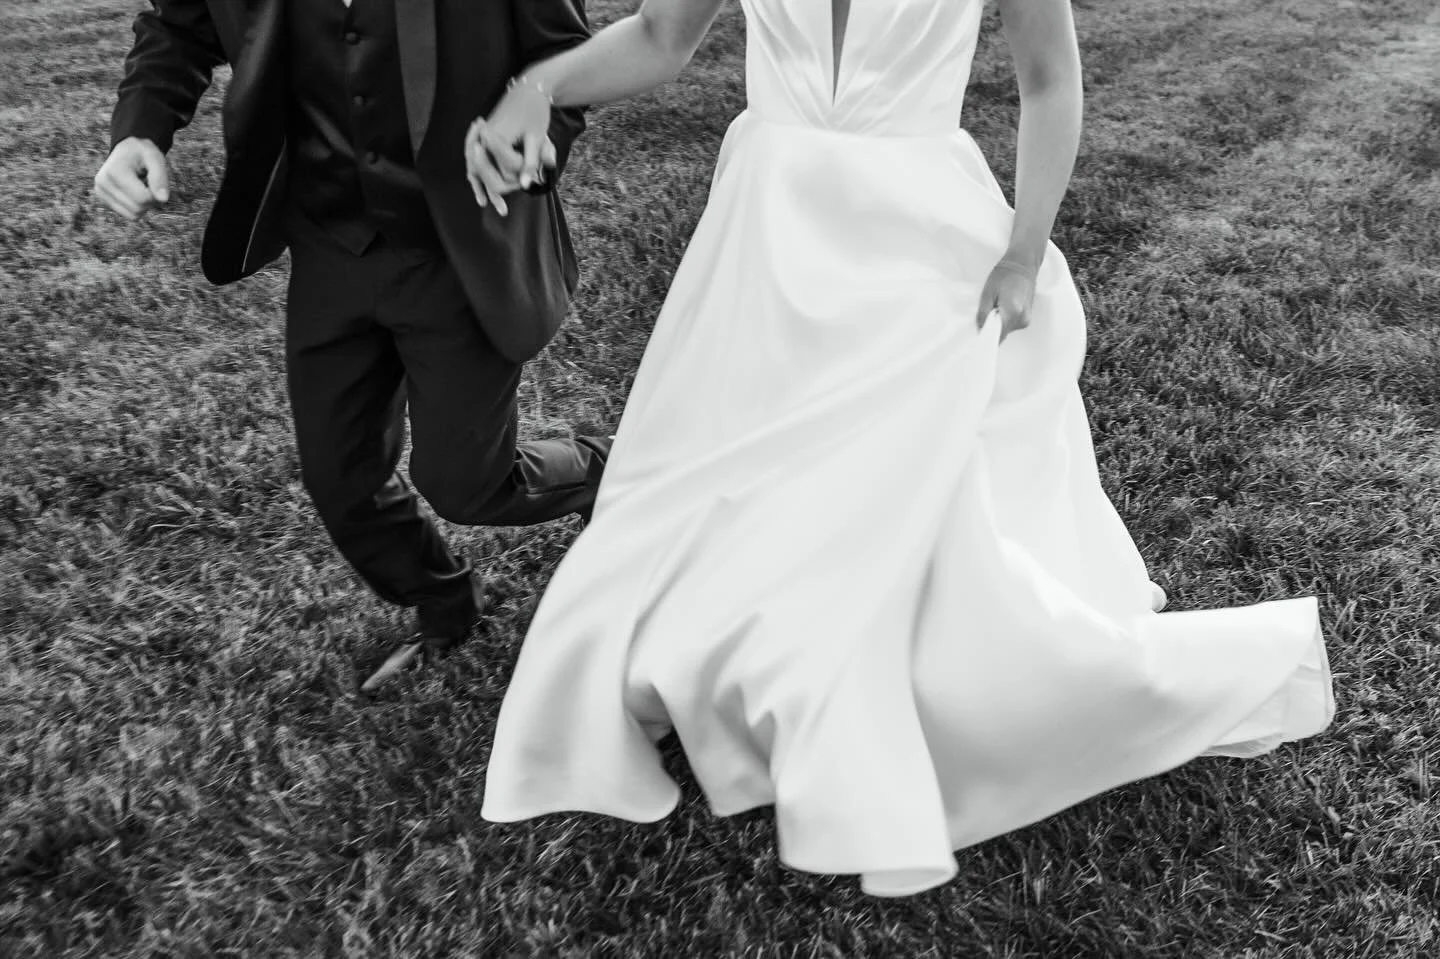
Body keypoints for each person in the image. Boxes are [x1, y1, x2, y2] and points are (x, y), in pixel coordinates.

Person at [467, 0, 1336, 896]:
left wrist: (1023, 254)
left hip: (913, 236)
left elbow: (1050, 80)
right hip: (766, 237)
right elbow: (658, 39)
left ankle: (867, 680)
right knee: (731, 487)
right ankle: (755, 646)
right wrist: (538, 84)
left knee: (906, 486)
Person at [93, 0, 610, 693]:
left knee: (468, 484)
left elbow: (567, 60)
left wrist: (538, 135)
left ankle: (603, 470)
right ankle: (445, 601)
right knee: (339, 475)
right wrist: (140, 130)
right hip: (329, 240)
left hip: (459, 245)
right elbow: (176, 26)